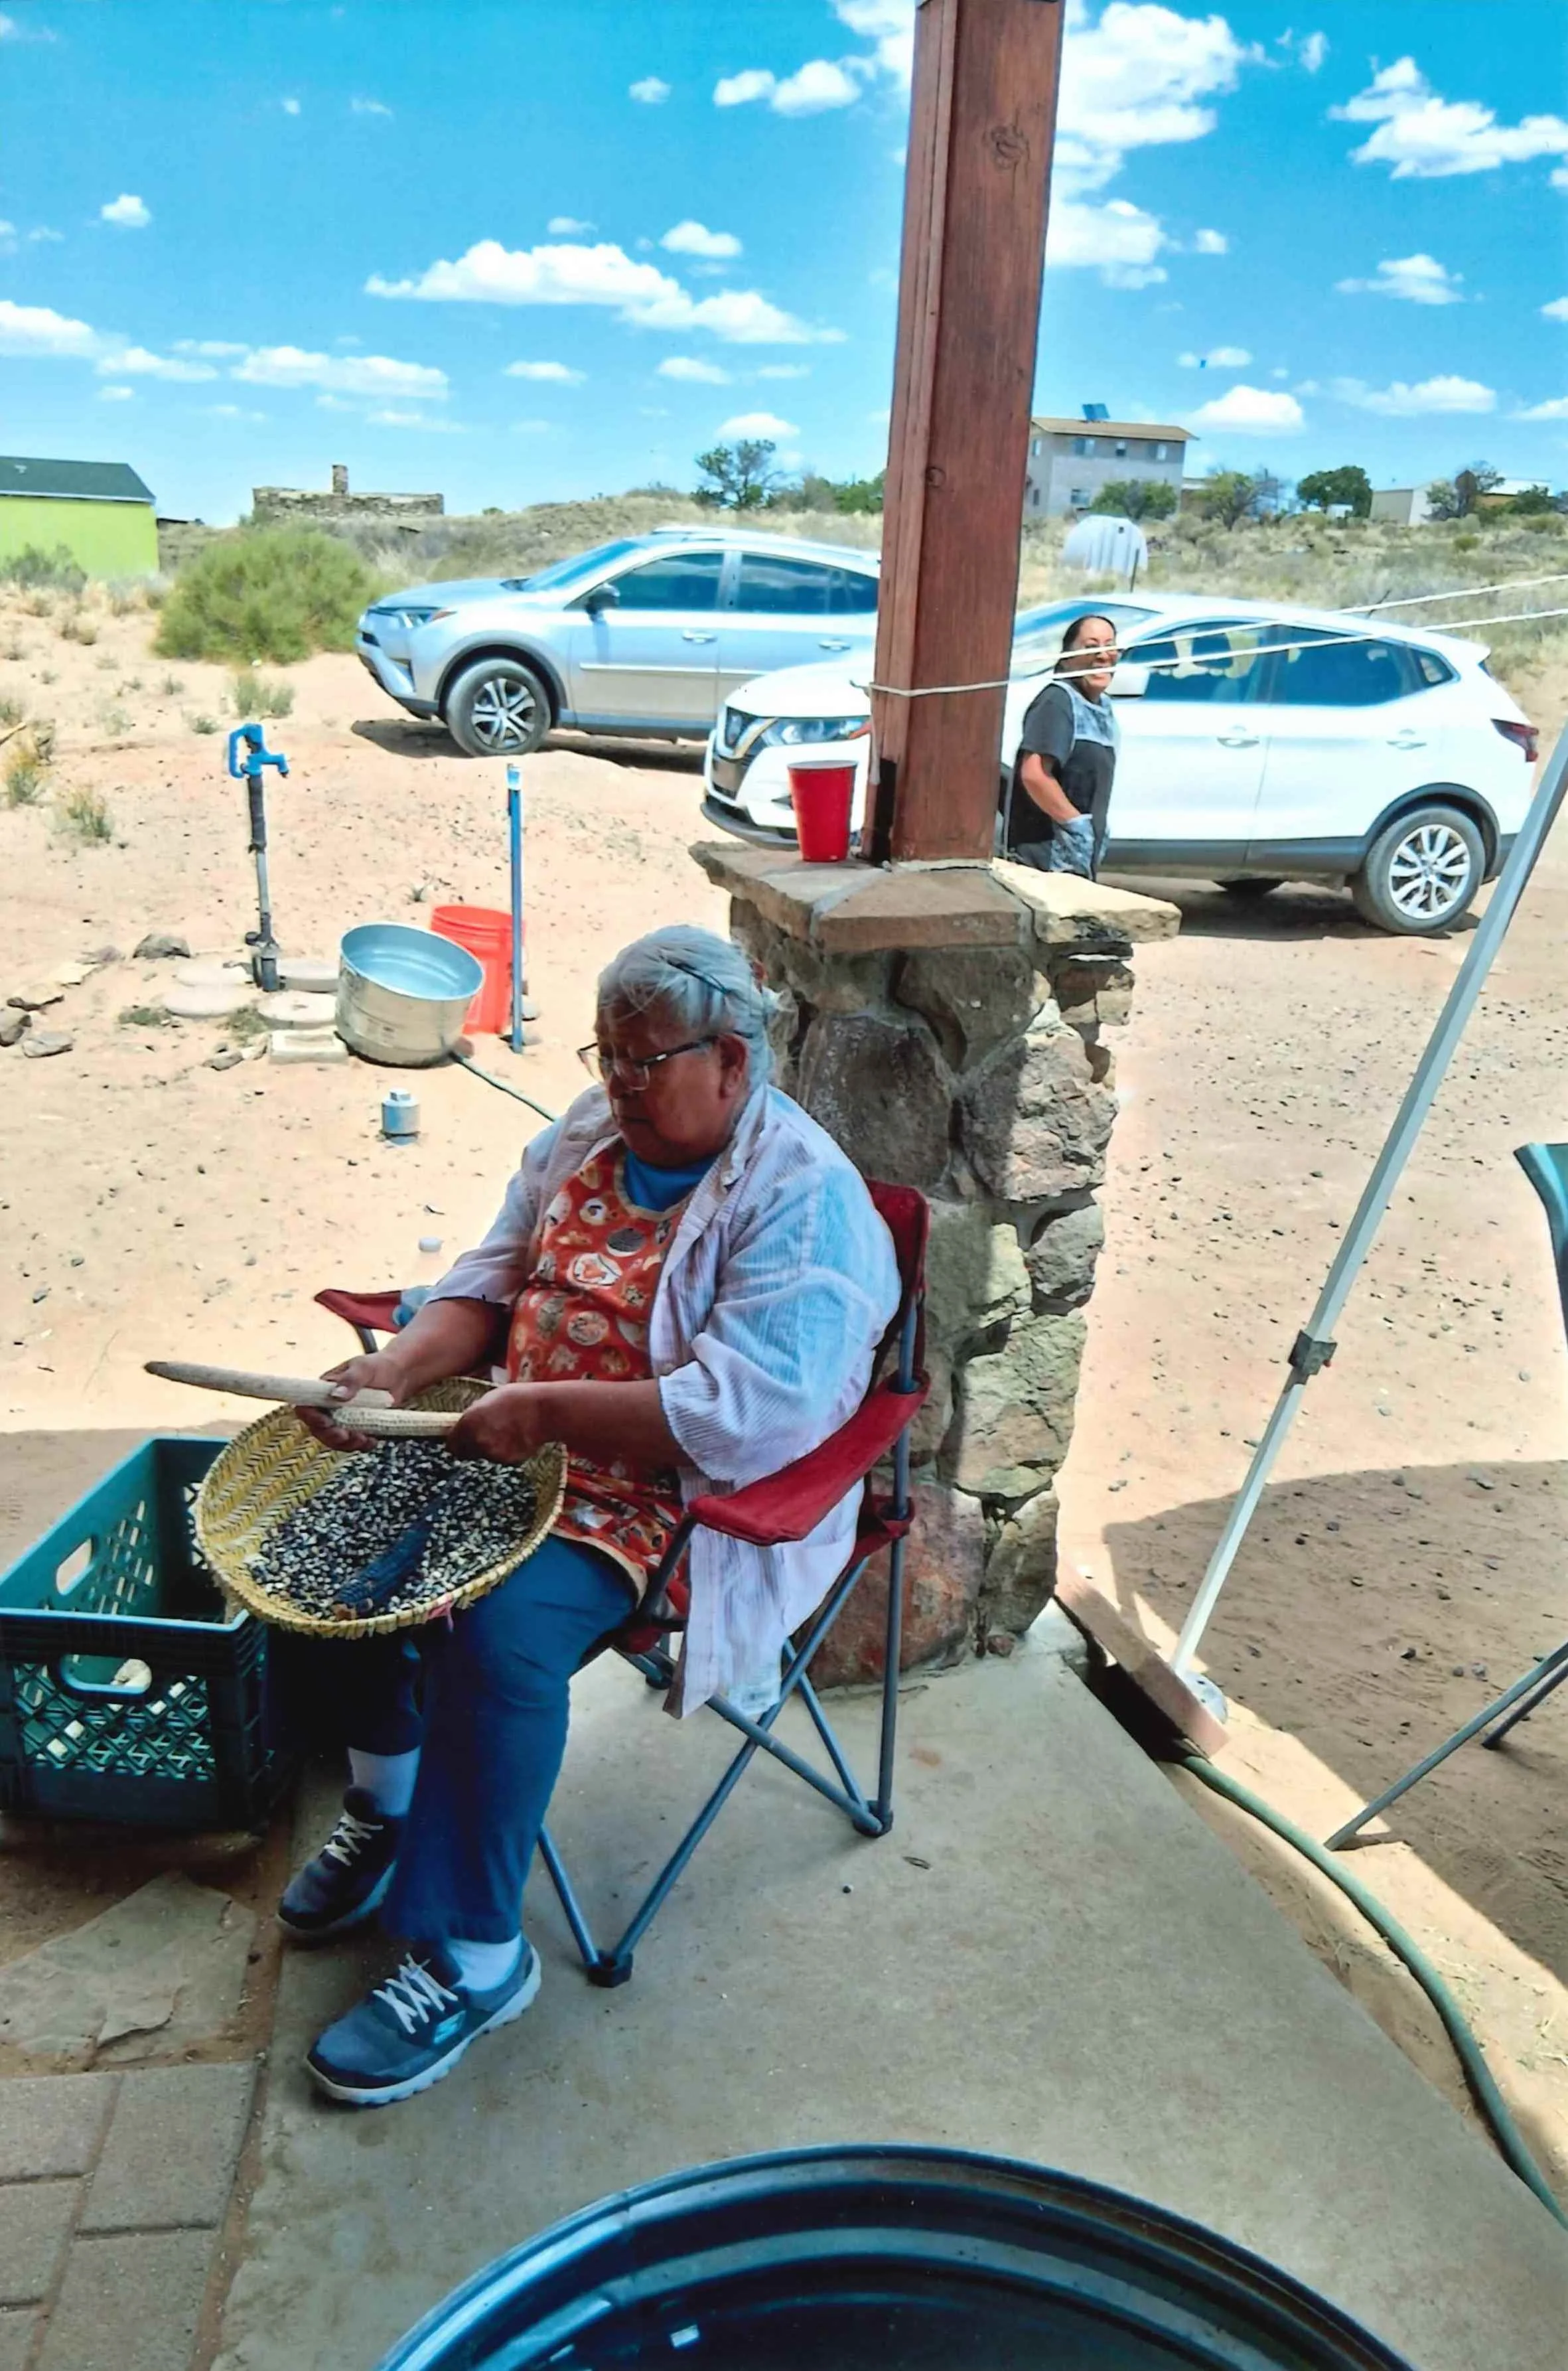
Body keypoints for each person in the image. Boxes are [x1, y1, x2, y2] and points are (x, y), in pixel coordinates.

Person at [280, 925, 900, 2109]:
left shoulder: (803, 1198)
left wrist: (546, 1411)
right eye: (605, 1053)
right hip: (503, 1432)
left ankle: (476, 1954)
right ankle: (392, 1804)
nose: (613, 1082)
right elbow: (492, 1275)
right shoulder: (585, 1130)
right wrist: (398, 1373)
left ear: (729, 1061)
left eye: (640, 1059)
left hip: (661, 1495)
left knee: (497, 1630)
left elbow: (745, 1413)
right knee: (330, 1545)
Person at [1001, 612, 1121, 878]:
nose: (1103, 656)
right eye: (1091, 647)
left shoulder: (1103, 707)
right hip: (1047, 859)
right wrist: (1075, 825)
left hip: (1079, 859)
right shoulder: (1057, 702)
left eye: (1110, 646)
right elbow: (1034, 774)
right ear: (1068, 656)